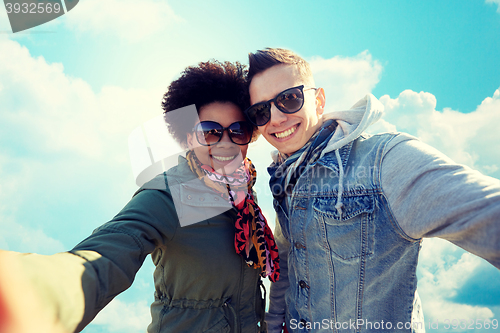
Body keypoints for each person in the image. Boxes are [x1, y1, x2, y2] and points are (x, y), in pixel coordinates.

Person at [0, 60, 279, 333]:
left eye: (238, 131)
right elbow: (108, 253)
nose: (225, 143)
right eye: (209, 132)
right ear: (188, 138)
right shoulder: (169, 194)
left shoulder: (243, 196)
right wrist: (29, 293)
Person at [244, 48, 500, 333]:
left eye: (289, 99)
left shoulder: (383, 160)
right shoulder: (284, 178)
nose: (276, 118)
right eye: (261, 111)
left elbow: (489, 212)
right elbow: (288, 267)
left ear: (318, 101)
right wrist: (273, 323)